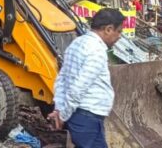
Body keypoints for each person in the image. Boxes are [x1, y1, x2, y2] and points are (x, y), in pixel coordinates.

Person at [48, 8, 124, 148]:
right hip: (86, 116)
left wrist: (59, 109)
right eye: (118, 31)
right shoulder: (96, 51)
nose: (119, 36)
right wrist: (62, 115)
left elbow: (62, 80)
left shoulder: (76, 43)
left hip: (85, 116)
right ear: (108, 29)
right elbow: (78, 87)